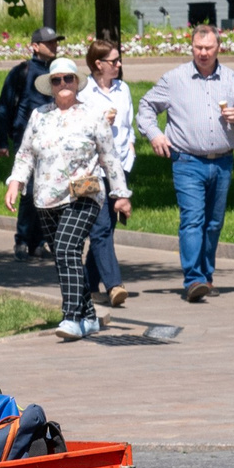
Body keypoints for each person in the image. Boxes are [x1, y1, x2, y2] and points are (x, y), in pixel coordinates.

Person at [4, 57, 130, 341]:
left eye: (68, 79)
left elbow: (110, 158)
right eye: (57, 80)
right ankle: (87, 315)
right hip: (46, 198)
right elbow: (25, 154)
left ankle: (71, 317)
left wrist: (120, 195)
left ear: (77, 83)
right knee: (65, 257)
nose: (63, 84)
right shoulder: (39, 116)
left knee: (65, 247)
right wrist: (16, 182)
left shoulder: (93, 115)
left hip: (84, 193)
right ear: (50, 85)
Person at [137, 23, 234, 303]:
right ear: (191, 48)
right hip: (187, 161)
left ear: (218, 48)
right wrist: (154, 135)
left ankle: (206, 274)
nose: (203, 53)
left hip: (223, 161)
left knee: (213, 223)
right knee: (192, 220)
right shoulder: (175, 79)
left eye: (208, 48)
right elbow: (146, 106)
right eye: (198, 48)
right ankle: (193, 280)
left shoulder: (230, 79)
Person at [0, 26, 60, 258]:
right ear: (35, 46)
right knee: (29, 190)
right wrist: (2, 140)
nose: (54, 46)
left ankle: (39, 242)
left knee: (46, 189)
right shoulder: (22, 71)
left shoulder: (59, 72)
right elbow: (3, 107)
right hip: (26, 138)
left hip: (53, 139)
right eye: (49, 42)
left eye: (55, 42)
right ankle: (22, 240)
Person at [80, 40, 137, 306]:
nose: (118, 65)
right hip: (89, 170)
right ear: (98, 64)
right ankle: (114, 285)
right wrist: (100, 122)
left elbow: (128, 125)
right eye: (113, 61)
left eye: (119, 60)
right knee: (99, 227)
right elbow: (76, 131)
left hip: (120, 167)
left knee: (107, 229)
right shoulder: (83, 92)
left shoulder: (122, 89)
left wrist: (131, 147)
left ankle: (89, 286)